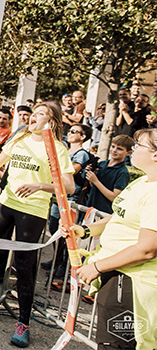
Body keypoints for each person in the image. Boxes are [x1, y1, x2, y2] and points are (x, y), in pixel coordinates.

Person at [0, 102, 75, 347]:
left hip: (33, 210)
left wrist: (40, 186)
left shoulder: (57, 149)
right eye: (34, 113)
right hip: (6, 202)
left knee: (24, 264)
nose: (34, 118)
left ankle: (24, 323)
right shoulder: (20, 138)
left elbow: (69, 186)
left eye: (40, 115)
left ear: (51, 122)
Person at [66, 128, 157, 350]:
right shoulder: (142, 182)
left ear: (155, 154)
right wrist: (85, 230)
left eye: (139, 145)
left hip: (132, 283)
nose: (133, 149)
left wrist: (97, 266)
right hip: (116, 274)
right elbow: (120, 216)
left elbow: (147, 249)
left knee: (115, 345)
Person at [43, 123, 94, 278]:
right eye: (69, 130)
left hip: (72, 198)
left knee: (67, 233)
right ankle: (56, 260)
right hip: (59, 195)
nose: (69, 133)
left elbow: (70, 170)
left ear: (83, 137)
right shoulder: (65, 150)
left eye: (74, 131)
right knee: (53, 228)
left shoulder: (82, 154)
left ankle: (64, 266)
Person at [86, 134, 133, 215]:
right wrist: (90, 175)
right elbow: (93, 187)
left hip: (104, 213)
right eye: (113, 146)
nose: (114, 150)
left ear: (128, 153)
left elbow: (115, 197)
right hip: (90, 208)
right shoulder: (101, 164)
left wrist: (96, 181)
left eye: (119, 149)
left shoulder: (122, 172)